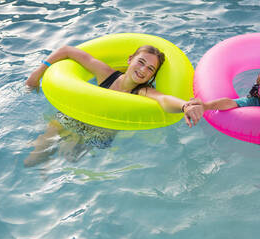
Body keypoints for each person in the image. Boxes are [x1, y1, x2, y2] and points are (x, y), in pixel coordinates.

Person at [24, 45, 204, 166]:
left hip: (98, 135)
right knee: (34, 158)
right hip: (73, 118)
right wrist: (38, 73)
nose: (143, 70)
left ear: (152, 76)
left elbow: (164, 99)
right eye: (141, 62)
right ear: (129, 59)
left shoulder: (143, 91)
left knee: (68, 163)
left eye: (150, 69)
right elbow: (68, 51)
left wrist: (184, 106)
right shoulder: (106, 74)